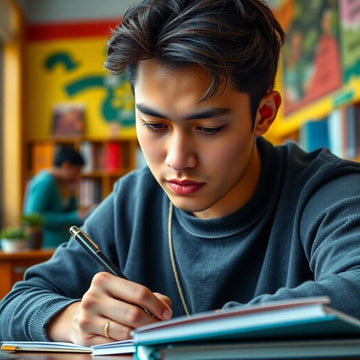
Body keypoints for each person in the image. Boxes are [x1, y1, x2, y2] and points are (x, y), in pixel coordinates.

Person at [1, 0, 360, 346]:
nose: (177, 159)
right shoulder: (134, 200)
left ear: (263, 115)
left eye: (208, 128)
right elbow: (14, 306)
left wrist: (205, 329)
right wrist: (75, 320)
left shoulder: (328, 191)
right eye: (154, 124)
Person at [22, 146, 86, 248]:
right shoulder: (45, 182)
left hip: (57, 243)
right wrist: (73, 216)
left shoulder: (56, 183)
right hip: (46, 246)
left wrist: (72, 194)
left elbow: (65, 215)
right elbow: (34, 217)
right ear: (66, 165)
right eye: (76, 172)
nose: (76, 177)